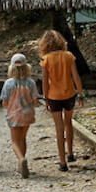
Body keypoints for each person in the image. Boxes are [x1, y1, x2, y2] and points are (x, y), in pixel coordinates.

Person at [37, 29, 83, 172]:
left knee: (59, 128)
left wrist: (45, 98)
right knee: (68, 123)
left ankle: (62, 162)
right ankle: (70, 153)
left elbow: (44, 82)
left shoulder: (46, 60)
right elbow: (75, 76)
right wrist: (80, 93)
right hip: (69, 94)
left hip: (53, 96)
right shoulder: (69, 56)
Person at [0, 53, 40, 178]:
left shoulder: (8, 84)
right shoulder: (31, 83)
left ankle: (21, 159)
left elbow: (5, 102)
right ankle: (21, 165)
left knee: (14, 141)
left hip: (14, 114)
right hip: (28, 114)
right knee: (22, 138)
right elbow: (35, 100)